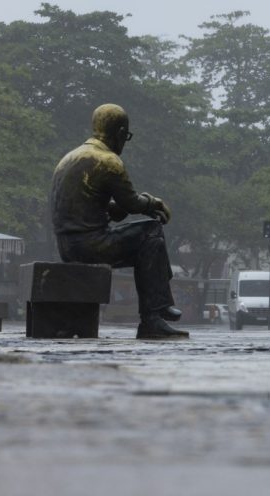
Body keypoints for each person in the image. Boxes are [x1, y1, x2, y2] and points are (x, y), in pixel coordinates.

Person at [50, 103, 188, 339]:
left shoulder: (69, 157)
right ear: (121, 133)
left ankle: (160, 304)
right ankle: (153, 316)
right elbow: (133, 203)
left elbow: (86, 204)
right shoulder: (108, 161)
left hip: (68, 246)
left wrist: (112, 209)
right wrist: (153, 202)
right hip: (90, 245)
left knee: (148, 240)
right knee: (151, 232)